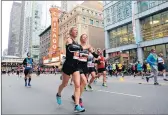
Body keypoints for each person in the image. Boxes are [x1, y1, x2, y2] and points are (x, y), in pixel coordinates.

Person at [56, 27, 85, 112]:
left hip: (75, 66)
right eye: (75, 31)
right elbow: (71, 47)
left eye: (77, 31)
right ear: (71, 32)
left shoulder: (77, 42)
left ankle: (76, 105)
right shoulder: (69, 39)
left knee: (77, 85)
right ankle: (58, 94)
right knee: (64, 84)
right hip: (68, 65)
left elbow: (80, 54)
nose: (76, 32)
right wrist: (79, 48)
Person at [71, 34, 99, 107]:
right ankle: (78, 98)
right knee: (83, 81)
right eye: (83, 37)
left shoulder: (88, 46)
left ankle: (75, 96)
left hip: (84, 65)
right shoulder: (77, 45)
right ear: (80, 38)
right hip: (78, 65)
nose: (85, 38)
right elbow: (75, 56)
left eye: (86, 37)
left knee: (82, 83)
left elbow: (94, 54)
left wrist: (98, 56)